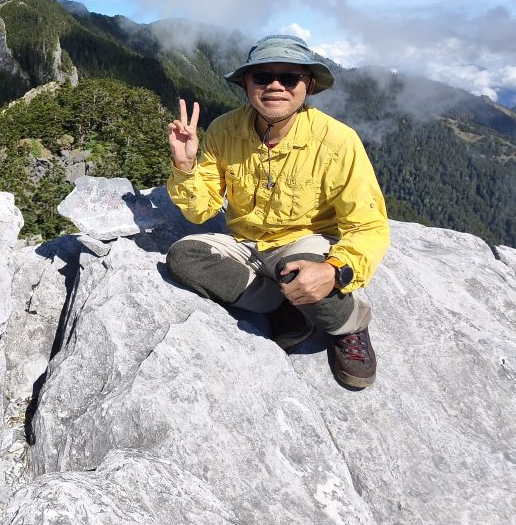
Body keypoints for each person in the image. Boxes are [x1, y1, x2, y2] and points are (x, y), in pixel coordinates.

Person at [165, 34, 390, 388]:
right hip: (246, 243)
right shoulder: (225, 130)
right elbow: (200, 210)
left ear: (309, 86)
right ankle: (286, 304)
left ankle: (350, 324)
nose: (275, 86)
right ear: (246, 85)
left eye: (289, 78)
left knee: (300, 273)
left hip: (304, 242)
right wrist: (186, 166)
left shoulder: (337, 141)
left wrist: (334, 270)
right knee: (184, 256)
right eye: (262, 77)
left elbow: (368, 225)